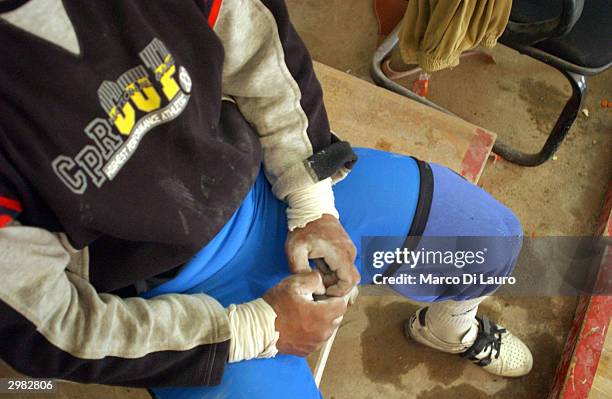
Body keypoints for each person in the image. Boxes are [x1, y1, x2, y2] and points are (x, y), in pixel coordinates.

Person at [0, 0, 532, 398]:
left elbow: (262, 52)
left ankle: (448, 330)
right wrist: (255, 329)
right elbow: (51, 328)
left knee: (489, 241)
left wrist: (312, 202)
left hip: (264, 193)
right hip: (166, 303)